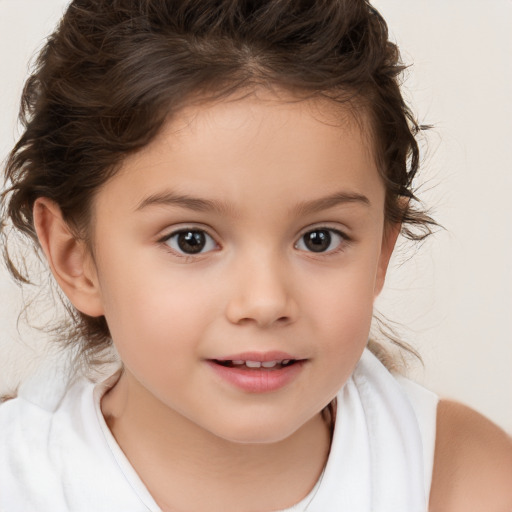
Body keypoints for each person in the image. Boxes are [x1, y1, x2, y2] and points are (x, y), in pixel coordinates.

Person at [0, 1, 511, 511]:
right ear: (76, 257)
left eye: (319, 238)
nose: (265, 303)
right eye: (191, 240)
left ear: (381, 248)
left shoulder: (458, 478)